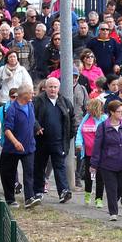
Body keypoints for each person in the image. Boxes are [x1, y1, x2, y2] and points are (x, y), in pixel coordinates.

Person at [91, 98, 122, 221]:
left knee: (121, 187)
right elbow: (97, 146)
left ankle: (113, 202)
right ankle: (113, 212)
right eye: (119, 112)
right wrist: (94, 164)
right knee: (111, 188)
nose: (121, 114)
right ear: (112, 112)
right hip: (107, 163)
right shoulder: (103, 127)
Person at [31, 76, 75, 204]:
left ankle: (64, 191)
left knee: (59, 166)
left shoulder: (65, 102)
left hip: (59, 141)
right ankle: (38, 191)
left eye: (55, 87)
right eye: (50, 87)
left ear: (58, 88)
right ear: (45, 88)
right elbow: (31, 117)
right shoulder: (38, 101)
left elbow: (72, 120)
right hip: (41, 141)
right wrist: (37, 127)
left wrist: (69, 135)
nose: (53, 89)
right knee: (39, 167)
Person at [0, 85, 37, 208]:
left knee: (29, 172)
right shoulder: (12, 109)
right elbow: (7, 129)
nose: (33, 95)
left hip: (29, 146)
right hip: (12, 149)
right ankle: (10, 199)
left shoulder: (30, 105)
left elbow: (32, 121)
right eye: (31, 93)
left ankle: (29, 198)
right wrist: (15, 142)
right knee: (9, 174)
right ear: (24, 95)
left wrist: (37, 128)